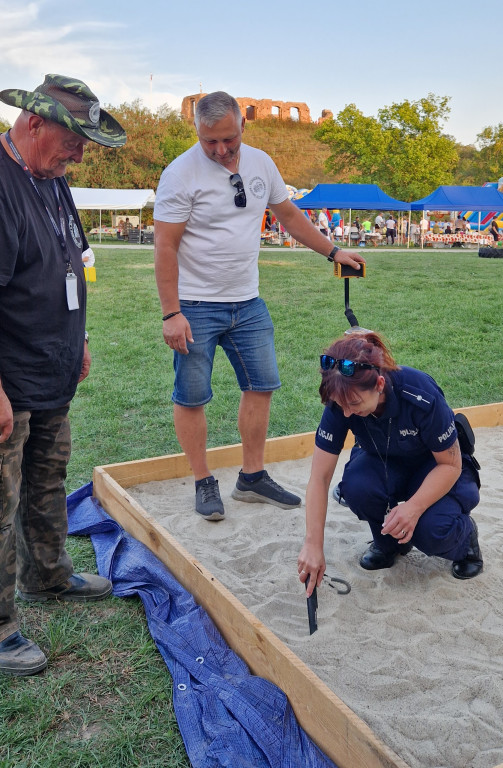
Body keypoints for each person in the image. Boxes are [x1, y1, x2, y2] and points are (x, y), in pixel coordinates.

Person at [153, 91, 365, 522]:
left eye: (228, 139)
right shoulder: (179, 175)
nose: (220, 149)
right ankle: (202, 480)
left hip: (247, 301)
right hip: (195, 304)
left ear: (242, 127)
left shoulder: (261, 163)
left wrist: (332, 251)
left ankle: (252, 476)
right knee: (193, 395)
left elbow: (288, 215)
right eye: (209, 141)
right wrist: (172, 313)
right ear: (197, 132)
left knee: (262, 384)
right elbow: (165, 245)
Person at [0, 74, 126, 676]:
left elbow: (68, 261)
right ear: (33, 124)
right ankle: (0, 629)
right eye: (73, 139)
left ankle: (47, 577)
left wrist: (79, 340)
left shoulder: (51, 181)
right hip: (9, 375)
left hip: (52, 366)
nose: (80, 153)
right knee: (1, 501)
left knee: (47, 479)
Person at [298, 331, 483, 597]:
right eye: (341, 404)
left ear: (380, 384)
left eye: (354, 403)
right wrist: (313, 544)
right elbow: (319, 478)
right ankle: (389, 544)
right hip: (386, 460)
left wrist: (414, 507)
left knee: (429, 528)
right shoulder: (341, 402)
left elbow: (450, 465)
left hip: (435, 466)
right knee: (357, 486)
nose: (347, 412)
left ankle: (466, 542)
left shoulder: (420, 394)